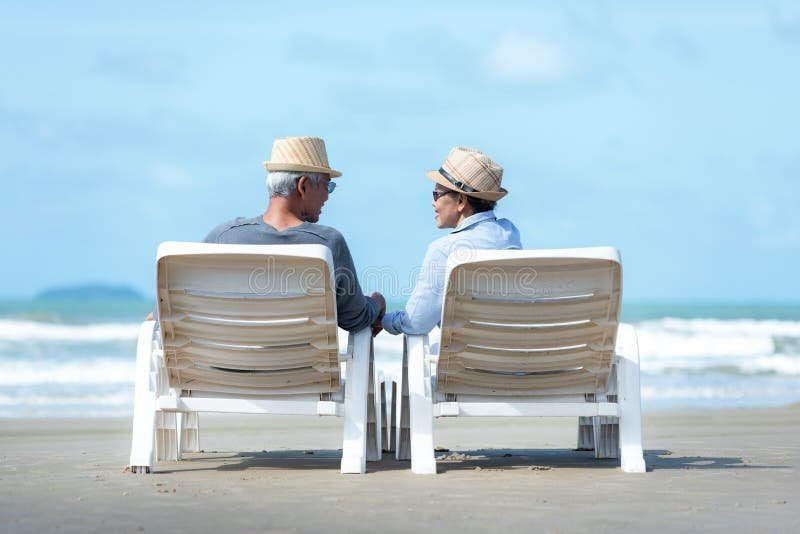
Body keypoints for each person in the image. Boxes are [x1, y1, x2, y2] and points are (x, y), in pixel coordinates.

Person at [204, 136, 385, 333]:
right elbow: (355, 320)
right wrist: (377, 303)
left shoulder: (223, 237)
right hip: (303, 364)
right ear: (303, 186)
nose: (327, 196)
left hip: (229, 361)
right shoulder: (328, 244)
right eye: (327, 186)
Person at [381, 147, 521, 336]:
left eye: (437, 194)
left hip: (465, 361)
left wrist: (381, 319)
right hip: (513, 358)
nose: (433, 202)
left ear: (461, 201)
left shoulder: (444, 250)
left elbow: (415, 324)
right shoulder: (510, 235)